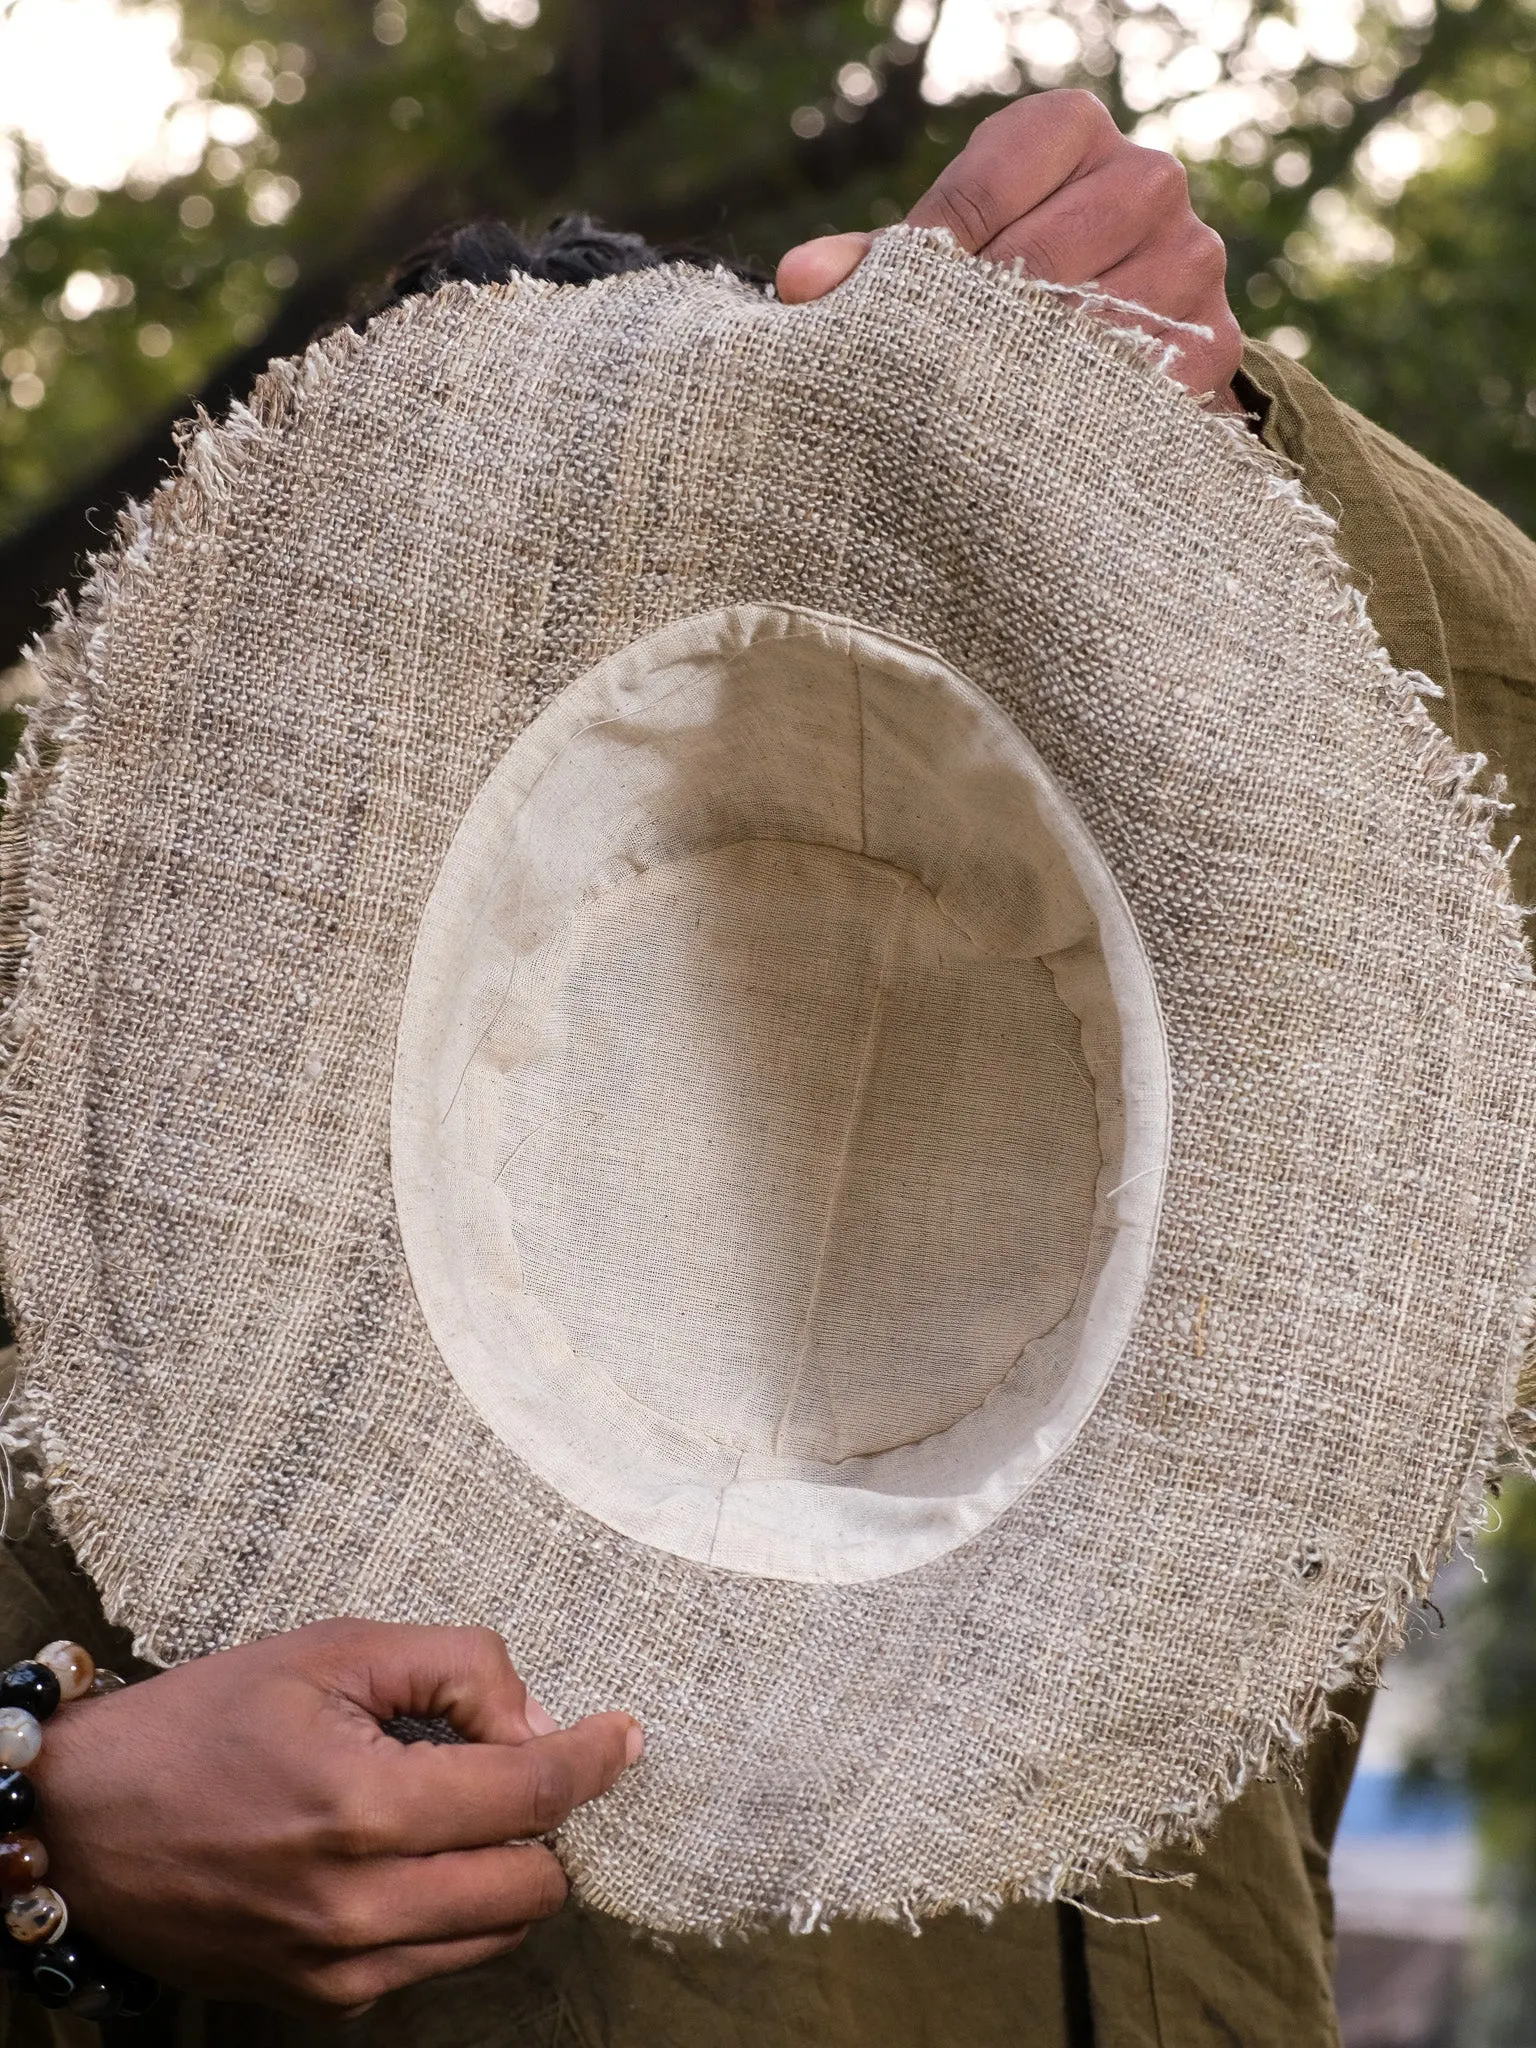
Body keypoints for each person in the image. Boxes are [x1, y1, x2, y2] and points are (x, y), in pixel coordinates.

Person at [2, 86, 1534, 2048]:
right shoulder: (109, 1206)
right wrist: (52, 1838)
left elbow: (1480, 773)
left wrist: (1213, 438)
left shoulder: (1284, 1167)